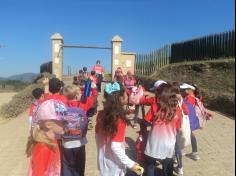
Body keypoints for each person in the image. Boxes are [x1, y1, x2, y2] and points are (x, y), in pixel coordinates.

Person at [95, 82, 144, 176]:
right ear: (120, 97)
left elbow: (98, 136)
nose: (128, 95)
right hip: (115, 165)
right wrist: (131, 164)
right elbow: (115, 146)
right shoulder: (119, 119)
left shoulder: (101, 114)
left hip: (103, 161)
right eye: (126, 93)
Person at [142, 83, 182, 176]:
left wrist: (144, 130)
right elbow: (178, 129)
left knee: (150, 165)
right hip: (169, 144)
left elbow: (145, 122)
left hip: (154, 142)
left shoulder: (155, 107)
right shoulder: (178, 111)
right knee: (167, 167)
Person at [61, 85, 97, 176]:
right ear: (77, 96)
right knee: (79, 167)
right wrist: (93, 88)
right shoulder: (83, 105)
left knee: (67, 166)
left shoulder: (61, 106)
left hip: (66, 142)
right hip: (80, 142)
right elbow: (94, 97)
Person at [26, 100, 66, 176]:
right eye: (63, 121)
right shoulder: (43, 148)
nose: (67, 123)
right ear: (48, 125)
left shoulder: (52, 141)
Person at [180, 83, 201, 161]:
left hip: (188, 120)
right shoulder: (193, 97)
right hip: (191, 120)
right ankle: (195, 153)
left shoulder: (189, 98)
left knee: (183, 134)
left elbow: (186, 109)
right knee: (190, 134)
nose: (182, 91)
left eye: (184, 89)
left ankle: (182, 151)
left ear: (189, 90)